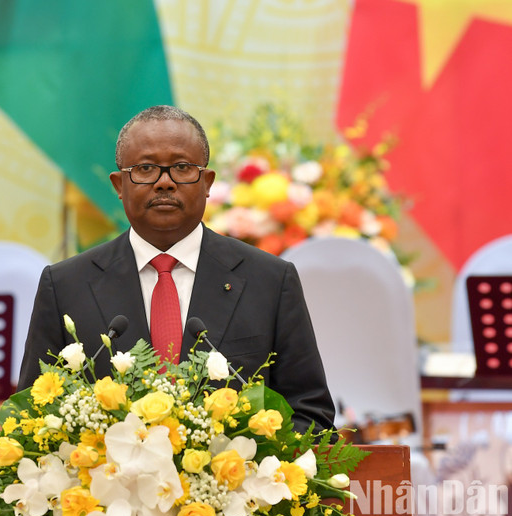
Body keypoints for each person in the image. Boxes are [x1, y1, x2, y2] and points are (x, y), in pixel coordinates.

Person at [17, 105, 335, 432]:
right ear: (118, 185)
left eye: (182, 167)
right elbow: (31, 416)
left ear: (208, 182)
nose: (164, 182)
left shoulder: (268, 280)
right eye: (145, 168)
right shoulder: (66, 285)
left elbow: (310, 414)